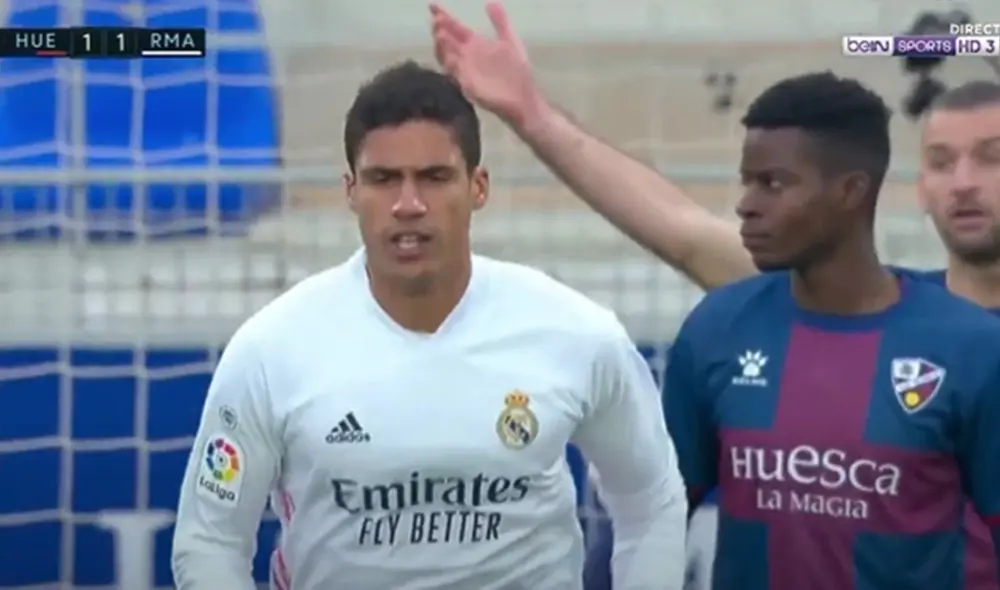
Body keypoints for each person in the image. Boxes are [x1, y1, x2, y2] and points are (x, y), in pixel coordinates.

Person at [430, 3, 1000, 586]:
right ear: (918, 185)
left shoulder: (969, 352)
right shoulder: (813, 309)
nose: (963, 182)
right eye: (940, 161)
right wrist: (533, 115)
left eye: (991, 156)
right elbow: (683, 232)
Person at [170, 60, 688, 590]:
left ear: (478, 186)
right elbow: (210, 541)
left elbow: (653, 499)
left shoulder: (576, 333)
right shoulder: (271, 348)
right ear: (351, 191)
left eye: (434, 178)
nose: (409, 204)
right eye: (383, 179)